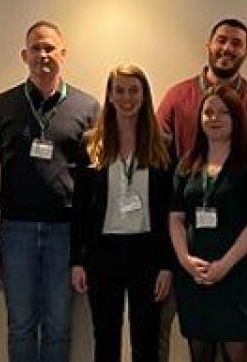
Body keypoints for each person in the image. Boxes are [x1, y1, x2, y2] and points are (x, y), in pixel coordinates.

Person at [0, 20, 100, 362]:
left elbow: (94, 183)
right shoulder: (0, 106)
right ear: (24, 55)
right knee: (21, 326)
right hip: (15, 231)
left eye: (50, 48)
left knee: (59, 326)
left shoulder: (87, 108)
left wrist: (86, 246)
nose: (43, 54)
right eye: (35, 48)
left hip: (64, 232)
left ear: (63, 54)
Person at [70, 64, 176, 362]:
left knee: (146, 339)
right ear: (109, 95)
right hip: (103, 251)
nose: (126, 98)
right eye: (119, 90)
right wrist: (77, 260)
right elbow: (79, 206)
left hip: (147, 252)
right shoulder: (91, 143)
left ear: (144, 95)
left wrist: (167, 265)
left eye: (133, 90)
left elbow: (170, 209)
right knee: (105, 337)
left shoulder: (163, 144)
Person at [169, 88, 247, 362]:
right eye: (208, 112)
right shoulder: (188, 163)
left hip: (234, 275)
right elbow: (176, 217)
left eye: (223, 113)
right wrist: (184, 259)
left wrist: (224, 266)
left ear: (236, 118)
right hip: (194, 275)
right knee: (199, 353)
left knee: (236, 354)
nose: (214, 118)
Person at [158, 18, 247, 160]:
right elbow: (158, 152)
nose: (227, 48)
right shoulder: (176, 97)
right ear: (208, 45)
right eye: (221, 41)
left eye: (236, 44)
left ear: (246, 52)